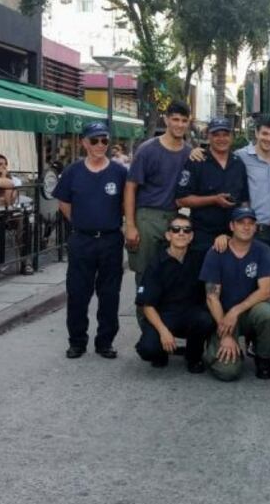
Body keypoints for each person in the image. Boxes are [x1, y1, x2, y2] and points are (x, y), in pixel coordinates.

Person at [52, 122, 128, 359]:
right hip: (82, 240)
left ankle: (105, 342)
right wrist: (80, 222)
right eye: (94, 140)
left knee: (109, 294)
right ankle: (77, 341)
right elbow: (63, 202)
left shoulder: (119, 172)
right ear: (84, 142)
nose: (100, 145)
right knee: (77, 292)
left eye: (104, 140)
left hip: (110, 240)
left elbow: (128, 203)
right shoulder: (73, 171)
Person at [201, 208, 270, 381]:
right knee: (227, 373)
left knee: (267, 312)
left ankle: (263, 357)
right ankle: (217, 347)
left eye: (251, 223)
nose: (246, 227)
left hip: (248, 312)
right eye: (241, 223)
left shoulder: (263, 250)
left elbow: (266, 290)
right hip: (222, 316)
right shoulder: (216, 252)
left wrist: (236, 311)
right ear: (231, 226)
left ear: (255, 227)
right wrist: (226, 335)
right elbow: (212, 296)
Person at [124, 101, 192, 290]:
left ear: (188, 122)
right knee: (145, 274)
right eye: (175, 119)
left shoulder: (189, 153)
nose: (179, 124)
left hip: (174, 217)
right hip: (147, 217)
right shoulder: (148, 150)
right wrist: (130, 225)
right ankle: (144, 318)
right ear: (166, 120)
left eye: (183, 120)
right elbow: (130, 187)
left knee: (171, 272)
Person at [134, 214, 214, 372]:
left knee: (205, 319)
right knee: (147, 350)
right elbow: (147, 305)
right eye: (176, 229)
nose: (181, 233)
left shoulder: (200, 258)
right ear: (168, 235)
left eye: (186, 230)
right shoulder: (156, 263)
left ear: (191, 236)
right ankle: (161, 351)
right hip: (164, 315)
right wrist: (164, 332)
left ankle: (193, 357)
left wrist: (224, 238)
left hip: (191, 313)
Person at [175, 117, 249, 256]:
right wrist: (214, 199)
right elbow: (181, 200)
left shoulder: (238, 164)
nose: (221, 139)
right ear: (208, 136)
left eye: (225, 134)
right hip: (202, 237)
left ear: (232, 136)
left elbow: (244, 200)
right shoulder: (196, 161)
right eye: (216, 135)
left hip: (232, 237)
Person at [233, 115, 270, 277]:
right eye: (264, 133)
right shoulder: (240, 156)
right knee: (248, 279)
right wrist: (195, 151)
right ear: (256, 133)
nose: (268, 139)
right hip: (251, 230)